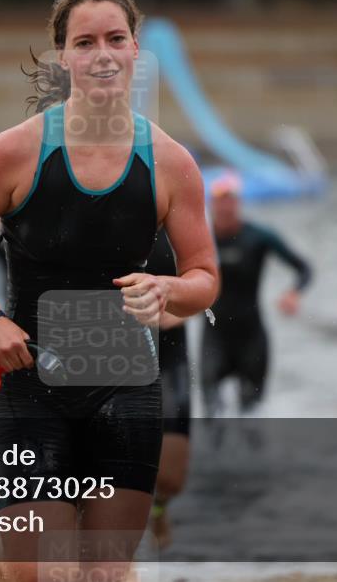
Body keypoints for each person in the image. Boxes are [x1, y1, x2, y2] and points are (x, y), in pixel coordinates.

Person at [0, 0, 218, 582]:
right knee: (46, 572)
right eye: (85, 42)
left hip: (125, 387)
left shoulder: (170, 162)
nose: (103, 54)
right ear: (63, 57)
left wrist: (169, 290)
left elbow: (204, 278)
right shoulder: (15, 152)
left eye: (116, 38)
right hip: (31, 384)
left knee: (105, 572)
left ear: (137, 49)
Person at [202, 173, 313, 415]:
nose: (225, 206)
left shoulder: (258, 237)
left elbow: (304, 269)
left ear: (238, 203)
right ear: (211, 204)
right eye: (220, 200)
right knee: (212, 412)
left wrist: (293, 293)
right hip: (214, 338)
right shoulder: (200, 240)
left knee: (251, 413)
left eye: (230, 200)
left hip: (251, 336)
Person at [144, 230, 191, 550]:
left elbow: (210, 282)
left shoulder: (177, 226)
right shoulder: (105, 214)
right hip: (112, 358)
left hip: (170, 357)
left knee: (171, 478)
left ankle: (158, 507)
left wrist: (182, 309)